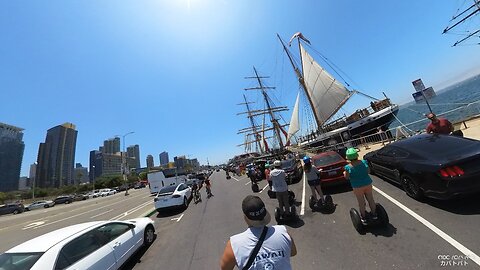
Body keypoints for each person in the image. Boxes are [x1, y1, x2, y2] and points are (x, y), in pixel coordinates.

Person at [220, 195, 297, 270]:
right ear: (265, 212)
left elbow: (225, 268)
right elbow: (292, 252)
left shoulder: (234, 244)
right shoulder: (282, 232)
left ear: (245, 217)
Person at [343, 148, 377, 224]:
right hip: (367, 183)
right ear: (357, 155)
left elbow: (347, 177)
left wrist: (344, 173)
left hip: (357, 186)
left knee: (361, 202)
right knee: (371, 199)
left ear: (348, 158)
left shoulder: (348, 167)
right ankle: (374, 214)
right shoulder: (363, 162)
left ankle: (363, 217)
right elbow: (368, 171)